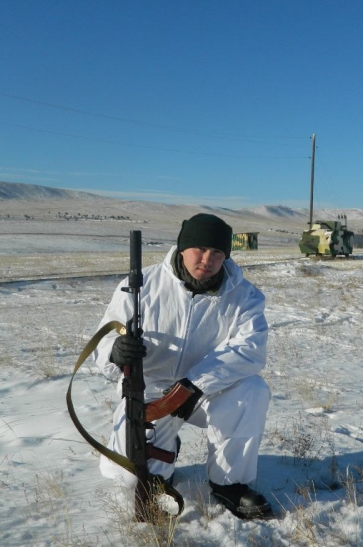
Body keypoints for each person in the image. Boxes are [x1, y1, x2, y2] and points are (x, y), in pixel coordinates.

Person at [93, 213, 272, 519]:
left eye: (217, 252)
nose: (207, 259)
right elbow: (105, 340)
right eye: (199, 249)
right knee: (127, 477)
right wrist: (115, 352)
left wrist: (194, 385)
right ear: (182, 248)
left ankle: (230, 484)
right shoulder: (142, 285)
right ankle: (164, 453)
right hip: (151, 396)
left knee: (252, 390)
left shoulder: (244, 295)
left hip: (207, 393)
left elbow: (250, 349)